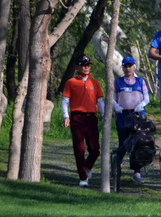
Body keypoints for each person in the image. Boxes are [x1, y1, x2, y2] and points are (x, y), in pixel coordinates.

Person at [61, 55, 105, 188]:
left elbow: (100, 101)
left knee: (95, 149)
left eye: (88, 65)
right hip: (77, 118)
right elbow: (65, 101)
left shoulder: (95, 83)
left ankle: (86, 168)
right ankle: (83, 178)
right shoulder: (71, 82)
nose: (86, 67)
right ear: (77, 67)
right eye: (83, 65)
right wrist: (66, 116)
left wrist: (104, 115)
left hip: (91, 118)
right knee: (79, 149)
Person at [111, 56, 150, 183]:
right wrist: (116, 106)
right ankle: (119, 162)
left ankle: (137, 172)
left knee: (138, 142)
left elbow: (146, 98)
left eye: (130, 66)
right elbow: (112, 97)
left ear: (134, 67)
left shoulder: (140, 81)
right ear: (122, 67)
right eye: (125, 66)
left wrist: (141, 105)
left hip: (138, 116)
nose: (128, 68)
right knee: (123, 141)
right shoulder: (117, 82)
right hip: (123, 115)